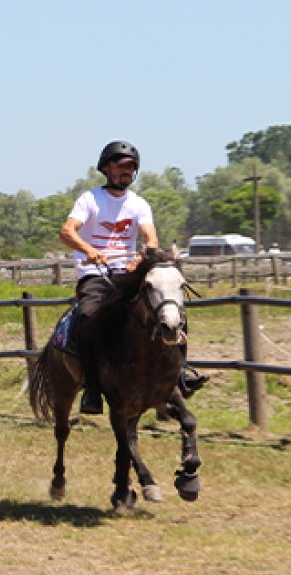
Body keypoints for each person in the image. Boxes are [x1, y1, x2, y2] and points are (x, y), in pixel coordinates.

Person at [59, 141, 206, 414]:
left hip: (128, 273)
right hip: (96, 275)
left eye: (131, 166)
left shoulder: (138, 204)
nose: (127, 171)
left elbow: (151, 238)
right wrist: (90, 251)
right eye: (121, 165)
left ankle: (179, 374)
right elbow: (67, 232)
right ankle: (92, 387)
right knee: (89, 316)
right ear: (106, 168)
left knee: (171, 309)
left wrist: (141, 258)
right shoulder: (89, 199)